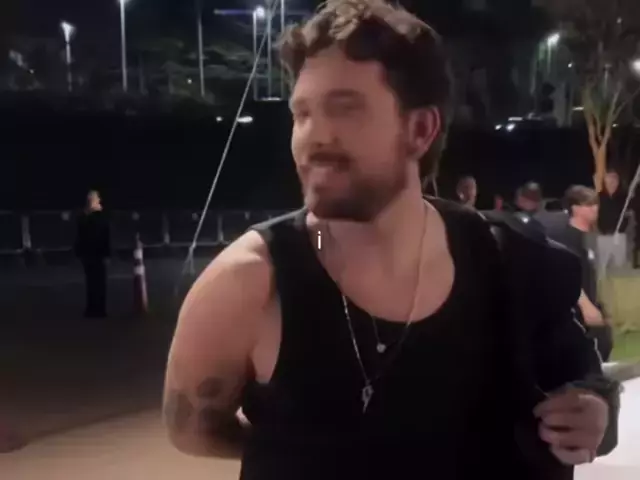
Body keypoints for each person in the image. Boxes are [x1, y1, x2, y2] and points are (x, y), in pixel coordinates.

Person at [163, 2, 614, 479]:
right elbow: (192, 429)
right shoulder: (249, 284)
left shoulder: (510, 262)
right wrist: (295, 452)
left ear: (419, 129)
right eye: (302, 113)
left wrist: (596, 412)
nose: (313, 136)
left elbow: (585, 380)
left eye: (344, 108)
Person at [546, 186, 613, 361]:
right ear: (575, 208)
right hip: (576, 310)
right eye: (588, 205)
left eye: (595, 204)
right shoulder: (568, 238)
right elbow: (566, 275)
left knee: (604, 346)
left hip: (592, 303)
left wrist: (599, 306)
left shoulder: (589, 237)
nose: (594, 209)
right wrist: (586, 306)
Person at [74, 190, 110, 318]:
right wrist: (107, 254)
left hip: (89, 254)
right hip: (97, 254)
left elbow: (80, 236)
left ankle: (92, 308)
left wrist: (79, 252)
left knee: (91, 282)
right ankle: (99, 309)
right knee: (99, 283)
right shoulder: (100, 217)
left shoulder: (85, 218)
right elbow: (105, 237)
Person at [597, 170, 629, 275]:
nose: (612, 182)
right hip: (603, 235)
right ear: (604, 181)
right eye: (609, 179)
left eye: (615, 179)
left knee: (619, 266)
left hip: (620, 236)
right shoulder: (598, 197)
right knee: (603, 267)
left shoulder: (624, 197)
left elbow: (629, 215)